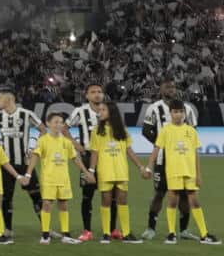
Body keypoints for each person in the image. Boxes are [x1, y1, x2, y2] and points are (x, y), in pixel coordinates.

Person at [152, 101, 216, 245]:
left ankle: (204, 234)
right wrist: (149, 166)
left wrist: (199, 174)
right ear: (171, 113)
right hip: (173, 171)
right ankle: (171, 234)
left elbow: (195, 154)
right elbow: (157, 148)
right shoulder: (166, 130)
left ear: (184, 113)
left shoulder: (191, 131)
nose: (178, 114)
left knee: (195, 201)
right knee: (172, 201)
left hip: (190, 172)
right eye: (175, 111)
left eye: (181, 111)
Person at [92, 101, 153, 243]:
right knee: (106, 201)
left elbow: (129, 151)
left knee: (123, 201)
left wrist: (141, 167)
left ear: (111, 112)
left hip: (121, 170)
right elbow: (95, 152)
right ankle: (106, 233)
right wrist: (90, 170)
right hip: (105, 171)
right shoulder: (96, 131)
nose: (99, 112)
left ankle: (126, 234)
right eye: (99, 110)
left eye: (103, 110)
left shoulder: (122, 130)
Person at [0, 89, 43, 240]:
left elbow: (43, 130)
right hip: (6, 164)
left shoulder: (26, 114)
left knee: (35, 195)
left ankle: (46, 228)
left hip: (25, 163)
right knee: (6, 197)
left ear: (9, 99)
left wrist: (33, 148)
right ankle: (7, 229)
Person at [29, 111, 85, 245]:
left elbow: (74, 158)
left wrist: (85, 171)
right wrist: (28, 173)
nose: (59, 125)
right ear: (48, 123)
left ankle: (66, 235)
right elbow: (35, 156)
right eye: (56, 122)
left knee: (64, 205)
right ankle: (45, 235)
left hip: (63, 178)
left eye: (61, 122)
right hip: (49, 178)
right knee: (47, 205)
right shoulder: (43, 140)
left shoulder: (66, 141)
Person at [139, 82, 184, 240]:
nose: (171, 89)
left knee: (184, 194)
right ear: (161, 89)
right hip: (161, 159)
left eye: (173, 87)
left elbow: (193, 130)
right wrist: (161, 144)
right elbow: (146, 130)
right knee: (159, 193)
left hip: (182, 159)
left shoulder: (186, 108)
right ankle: (151, 228)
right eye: (167, 87)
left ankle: (184, 230)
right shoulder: (154, 108)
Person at [69, 83, 106, 244]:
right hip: (88, 156)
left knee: (110, 195)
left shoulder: (108, 111)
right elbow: (64, 128)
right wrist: (77, 146)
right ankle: (87, 230)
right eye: (93, 92)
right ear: (87, 96)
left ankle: (111, 229)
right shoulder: (80, 111)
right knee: (88, 195)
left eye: (99, 92)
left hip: (107, 157)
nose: (97, 94)